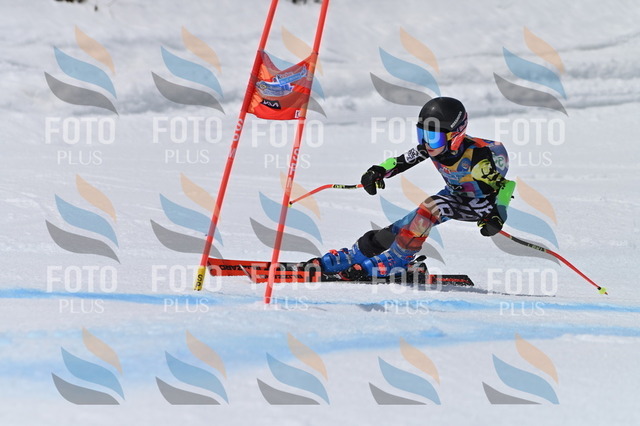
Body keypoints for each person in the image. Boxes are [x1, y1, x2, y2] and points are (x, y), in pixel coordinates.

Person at [314, 97, 516, 279]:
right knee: (398, 229)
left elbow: (506, 185)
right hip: (453, 196)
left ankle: (397, 261)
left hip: (479, 205)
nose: (426, 143)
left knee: (431, 206)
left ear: (455, 137)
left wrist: (498, 215)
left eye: (433, 137)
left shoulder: (479, 159)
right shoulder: (432, 147)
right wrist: (377, 171)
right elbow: (400, 162)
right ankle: (354, 256)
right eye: (422, 134)